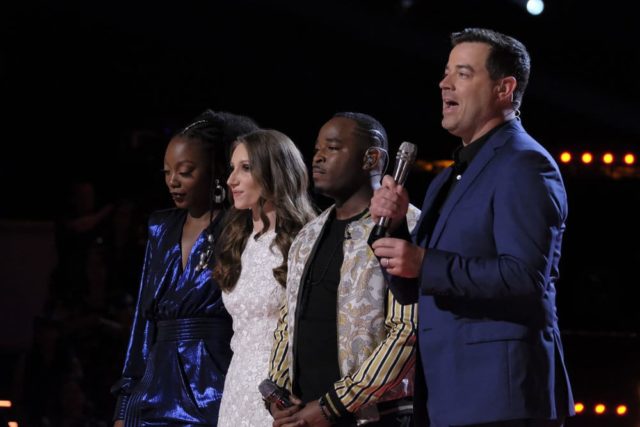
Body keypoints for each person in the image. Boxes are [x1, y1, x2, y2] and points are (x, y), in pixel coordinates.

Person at [370, 28, 575, 427]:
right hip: (450, 396)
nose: (444, 83)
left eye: (463, 74)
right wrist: (395, 231)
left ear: (504, 88)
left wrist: (424, 262)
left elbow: (524, 277)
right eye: (446, 73)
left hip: (503, 397)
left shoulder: (525, 164)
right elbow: (414, 286)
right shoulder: (448, 178)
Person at [268, 112, 420, 427]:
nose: (318, 157)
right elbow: (288, 321)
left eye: (333, 148)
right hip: (304, 414)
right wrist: (277, 393)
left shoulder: (407, 225)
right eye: (317, 149)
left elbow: (407, 331)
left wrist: (333, 405)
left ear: (372, 158)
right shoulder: (308, 234)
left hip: (376, 416)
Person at [110, 110, 259, 426]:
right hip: (153, 390)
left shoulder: (242, 227)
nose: (172, 181)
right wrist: (125, 404)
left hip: (214, 386)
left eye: (185, 171)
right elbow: (142, 320)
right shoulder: (160, 227)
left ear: (218, 171)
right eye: (166, 172)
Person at [214, 129, 316, 427]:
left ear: (276, 172)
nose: (231, 179)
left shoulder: (306, 239)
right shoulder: (238, 240)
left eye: (245, 168)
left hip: (283, 392)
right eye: (232, 168)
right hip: (236, 386)